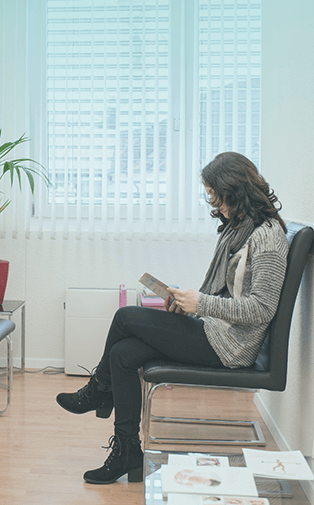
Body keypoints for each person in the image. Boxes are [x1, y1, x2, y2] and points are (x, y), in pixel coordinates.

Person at [56, 151, 289, 484]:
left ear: (236, 190)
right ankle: (126, 451)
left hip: (229, 346)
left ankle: (98, 390)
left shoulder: (267, 238)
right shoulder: (241, 231)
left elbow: (262, 308)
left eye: (217, 196)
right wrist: (189, 303)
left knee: (125, 317)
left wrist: (202, 304)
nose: (216, 205)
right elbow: (226, 295)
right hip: (214, 330)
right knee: (123, 355)